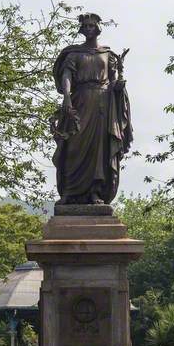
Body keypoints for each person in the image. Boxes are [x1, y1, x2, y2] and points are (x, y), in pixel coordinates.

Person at [51, 13, 133, 204]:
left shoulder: (107, 54)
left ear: (97, 28)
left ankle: (95, 191)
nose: (88, 28)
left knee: (99, 149)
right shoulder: (73, 54)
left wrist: (119, 85)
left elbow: (113, 82)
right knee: (73, 146)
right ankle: (70, 191)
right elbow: (67, 76)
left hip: (102, 105)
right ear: (81, 29)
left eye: (92, 26)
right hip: (79, 103)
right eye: (85, 26)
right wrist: (66, 98)